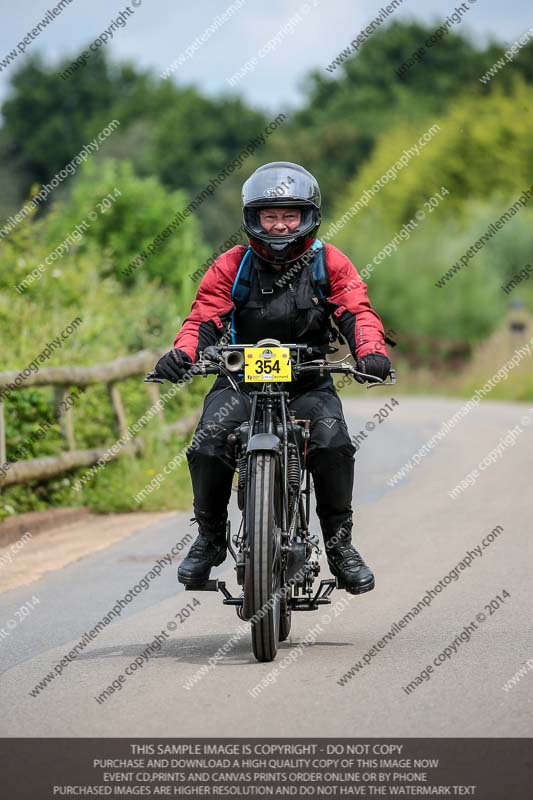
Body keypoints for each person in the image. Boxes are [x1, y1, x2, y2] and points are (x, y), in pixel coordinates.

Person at [154, 162, 391, 595]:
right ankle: (209, 539)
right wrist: (183, 353)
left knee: (334, 443)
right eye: (270, 216)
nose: (280, 225)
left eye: (289, 215)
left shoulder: (330, 262)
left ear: (308, 216)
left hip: (307, 380)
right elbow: (204, 316)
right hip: (239, 382)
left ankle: (340, 547)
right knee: (208, 442)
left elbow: (357, 311)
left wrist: (371, 352)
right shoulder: (232, 264)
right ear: (253, 218)